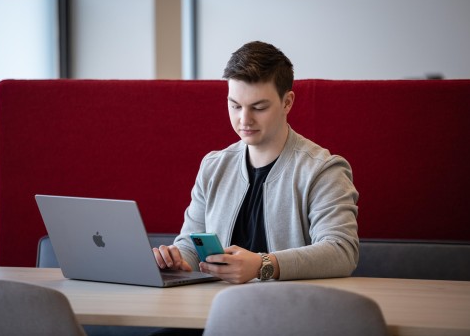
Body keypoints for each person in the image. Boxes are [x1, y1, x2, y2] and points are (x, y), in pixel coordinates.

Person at [153, 41, 359, 284]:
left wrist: (263, 265)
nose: (244, 119)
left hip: (290, 311)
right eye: (235, 106)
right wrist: (174, 259)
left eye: (259, 107)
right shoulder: (213, 167)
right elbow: (191, 244)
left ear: (287, 102)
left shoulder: (323, 170)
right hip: (218, 308)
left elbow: (341, 251)